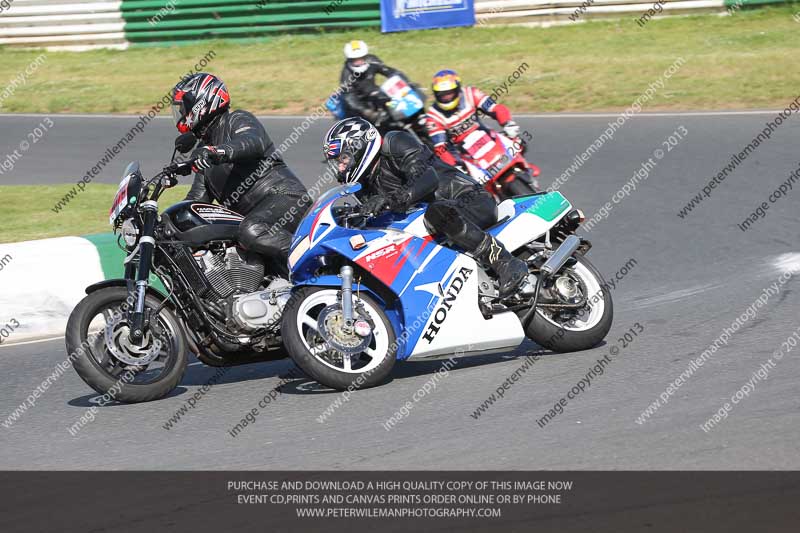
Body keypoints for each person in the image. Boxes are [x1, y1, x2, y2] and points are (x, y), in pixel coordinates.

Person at [323, 117, 528, 297]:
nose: (341, 167)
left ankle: (505, 262)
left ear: (360, 145)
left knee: (437, 213)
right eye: (337, 163)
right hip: (434, 226)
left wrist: (389, 200)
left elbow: (427, 178)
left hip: (468, 200)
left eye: (343, 159)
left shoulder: (395, 143)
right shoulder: (362, 186)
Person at [171, 73, 309, 274]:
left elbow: (251, 143)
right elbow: (196, 202)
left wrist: (216, 152)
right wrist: (168, 227)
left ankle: (315, 258)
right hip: (253, 218)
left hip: (285, 198)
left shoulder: (236, 119)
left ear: (201, 103)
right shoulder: (204, 152)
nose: (181, 113)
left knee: (251, 230)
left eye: (183, 107)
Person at [424, 69, 523, 168]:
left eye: (449, 93)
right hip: (461, 153)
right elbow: (440, 148)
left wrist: (508, 123)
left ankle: (526, 170)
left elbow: (495, 108)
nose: (446, 97)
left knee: (519, 143)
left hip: (486, 135)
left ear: (457, 89)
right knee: (460, 180)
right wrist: (454, 165)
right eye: (442, 95)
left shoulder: (471, 93)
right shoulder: (433, 116)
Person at [339, 40, 408, 128]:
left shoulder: (372, 61)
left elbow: (389, 71)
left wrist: (407, 82)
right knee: (370, 130)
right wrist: (367, 112)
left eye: (361, 58)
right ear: (349, 59)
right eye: (355, 60)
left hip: (374, 95)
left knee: (396, 109)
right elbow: (350, 98)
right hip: (358, 105)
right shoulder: (346, 75)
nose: (359, 61)